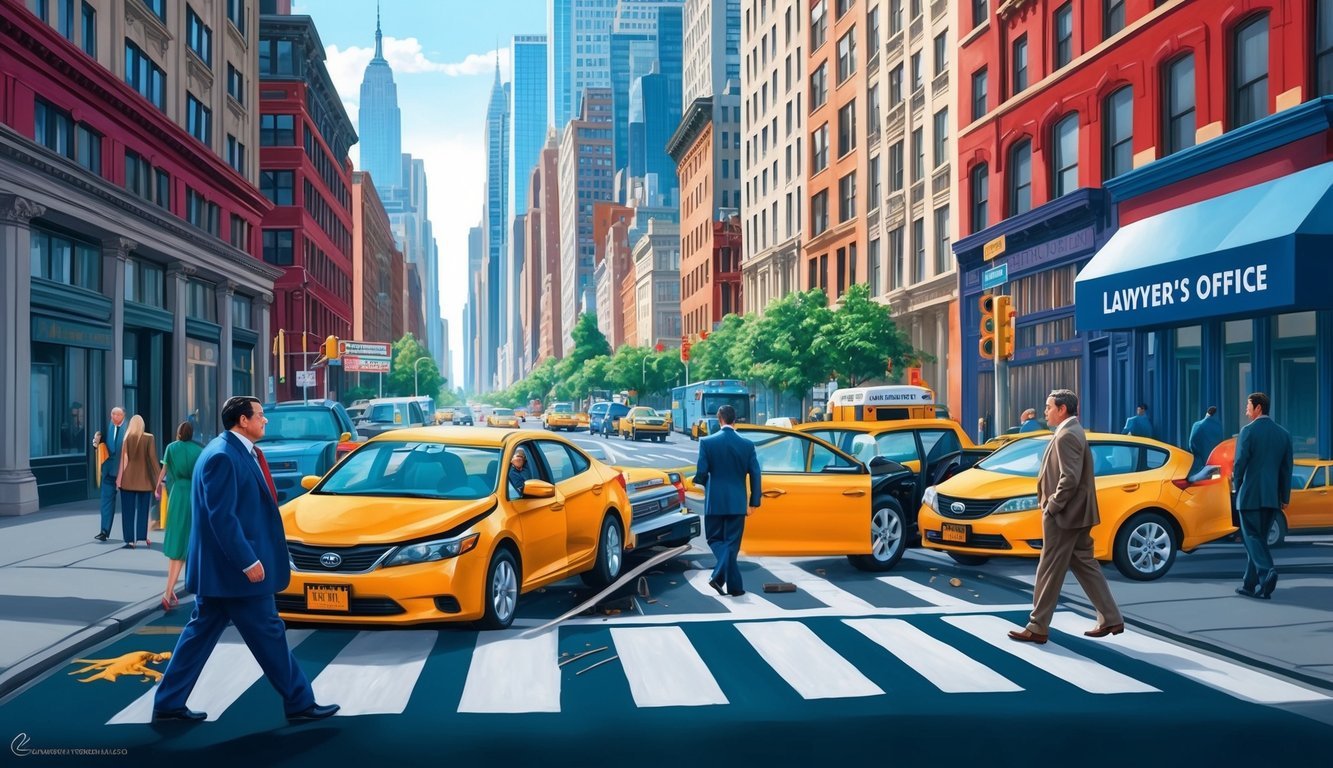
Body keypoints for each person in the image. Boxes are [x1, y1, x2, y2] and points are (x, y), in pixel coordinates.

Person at [152, 396, 338, 723]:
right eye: (260, 416)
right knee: (269, 634)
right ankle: (300, 703)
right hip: (235, 574)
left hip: (220, 575)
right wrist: (248, 561)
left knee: (199, 637)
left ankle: (168, 702)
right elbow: (222, 517)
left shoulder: (234, 451)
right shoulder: (222, 457)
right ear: (243, 421)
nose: (265, 421)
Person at [1009, 389, 1124, 644]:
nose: (1046, 411)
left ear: (1062, 409)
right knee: (1085, 564)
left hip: (1064, 516)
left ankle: (1037, 626)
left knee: (1048, 569)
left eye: (1049, 407)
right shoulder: (1071, 431)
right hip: (1076, 514)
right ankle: (1111, 617)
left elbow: (1069, 478)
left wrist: (1052, 505)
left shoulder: (1067, 435)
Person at [693, 404, 762, 597]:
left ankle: (719, 577)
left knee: (714, 539)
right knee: (732, 543)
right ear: (735, 420)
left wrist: (701, 482)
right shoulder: (747, 445)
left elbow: (701, 472)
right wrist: (754, 501)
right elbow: (756, 474)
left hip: (715, 501)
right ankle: (734, 587)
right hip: (737, 501)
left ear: (719, 419)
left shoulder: (707, 442)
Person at [1232, 392, 1292, 600]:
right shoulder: (1283, 434)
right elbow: (1287, 469)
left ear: (1258, 408)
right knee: (1258, 541)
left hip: (1250, 495)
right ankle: (1250, 585)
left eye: (1248, 406)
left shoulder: (1248, 431)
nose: (1245, 410)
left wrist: (1236, 486)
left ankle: (1268, 572)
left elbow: (1240, 463)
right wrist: (1284, 496)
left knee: (1252, 539)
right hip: (1272, 498)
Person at [156, 421, 203, 611]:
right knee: (187, 543)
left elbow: (163, 473)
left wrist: (158, 488)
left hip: (176, 495)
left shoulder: (171, 448)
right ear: (192, 434)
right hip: (192, 494)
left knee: (176, 542)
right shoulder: (198, 450)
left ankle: (169, 591)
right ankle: (170, 592)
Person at [116, 415, 160, 549]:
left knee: (127, 512)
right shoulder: (149, 437)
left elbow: (124, 461)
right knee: (143, 510)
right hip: (144, 480)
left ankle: (129, 540)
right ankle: (141, 537)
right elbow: (152, 459)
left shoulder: (127, 437)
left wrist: (119, 479)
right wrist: (160, 477)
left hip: (128, 480)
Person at [93, 407, 126, 541]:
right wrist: (96, 443)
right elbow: (100, 445)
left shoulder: (129, 428)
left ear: (123, 415)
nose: (114, 417)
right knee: (106, 502)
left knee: (127, 504)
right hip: (108, 471)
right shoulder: (106, 427)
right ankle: (104, 531)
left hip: (124, 471)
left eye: (117, 414)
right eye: (112, 414)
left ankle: (129, 534)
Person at [1187, 406, 1226, 475]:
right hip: (1215, 466)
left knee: (1200, 484)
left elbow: (1191, 444)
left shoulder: (1197, 425)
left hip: (1200, 466)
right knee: (1215, 483)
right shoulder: (1219, 427)